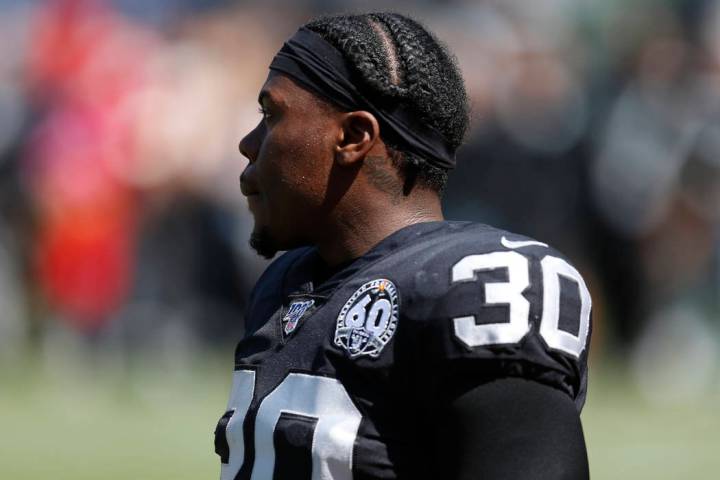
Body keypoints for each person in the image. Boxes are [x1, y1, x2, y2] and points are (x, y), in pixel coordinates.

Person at [214, 12, 592, 480]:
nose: (249, 144)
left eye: (271, 115)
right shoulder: (284, 285)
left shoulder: (472, 285)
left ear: (353, 137)